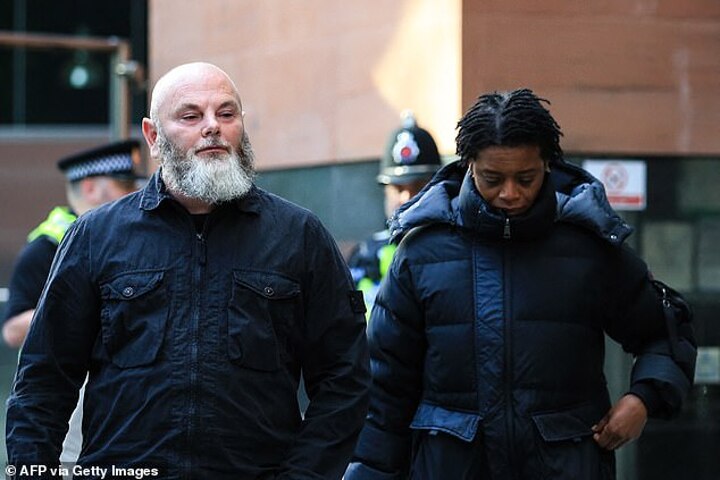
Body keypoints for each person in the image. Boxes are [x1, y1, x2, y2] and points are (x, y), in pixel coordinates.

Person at [6, 62, 370, 479]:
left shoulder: (298, 235)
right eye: (191, 116)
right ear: (153, 137)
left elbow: (345, 379)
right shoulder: (95, 236)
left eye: (226, 113)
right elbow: (42, 383)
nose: (212, 126)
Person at [345, 89, 696, 479]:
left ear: (547, 165)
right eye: (492, 179)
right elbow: (384, 393)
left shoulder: (588, 249)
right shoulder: (421, 254)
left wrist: (643, 398)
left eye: (525, 178)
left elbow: (665, 333)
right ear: (469, 166)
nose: (510, 193)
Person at [2, 139, 143, 349]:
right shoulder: (47, 248)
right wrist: (83, 305)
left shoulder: (130, 239)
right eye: (125, 185)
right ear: (90, 189)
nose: (134, 193)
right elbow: (12, 331)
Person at [347, 111, 442, 314]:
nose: (406, 198)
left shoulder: (456, 247)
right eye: (398, 189)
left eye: (418, 186)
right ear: (385, 192)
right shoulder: (365, 254)